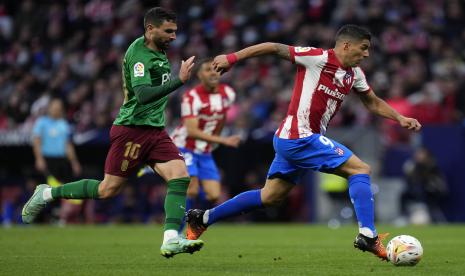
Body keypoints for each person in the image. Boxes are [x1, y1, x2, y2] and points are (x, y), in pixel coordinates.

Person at [186, 24, 422, 261]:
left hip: (293, 139)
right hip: (300, 137)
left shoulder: (355, 74)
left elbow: (371, 102)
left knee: (270, 197)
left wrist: (399, 118)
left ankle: (203, 218)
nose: (367, 54)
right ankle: (368, 236)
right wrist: (232, 57)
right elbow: (273, 47)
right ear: (346, 45)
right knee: (360, 169)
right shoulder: (317, 58)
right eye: (363, 48)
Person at [22, 7, 204, 258]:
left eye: (175, 32)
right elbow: (141, 96)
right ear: (150, 29)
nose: (174, 37)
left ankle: (171, 238)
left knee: (180, 176)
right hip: (132, 130)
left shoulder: (158, 49)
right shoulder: (140, 55)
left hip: (155, 131)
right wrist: (179, 81)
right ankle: (47, 193)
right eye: (168, 31)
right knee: (107, 190)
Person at [171, 58, 241, 230]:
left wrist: (215, 137)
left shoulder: (228, 94)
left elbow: (222, 116)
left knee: (214, 194)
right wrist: (222, 140)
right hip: (184, 146)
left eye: (215, 69)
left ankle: (182, 207)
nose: (212, 73)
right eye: (207, 70)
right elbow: (192, 131)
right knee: (192, 189)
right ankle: (179, 232)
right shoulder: (191, 97)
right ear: (200, 75)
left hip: (205, 150)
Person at [32, 98, 83, 224]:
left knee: (63, 190)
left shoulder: (63, 124)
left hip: (62, 161)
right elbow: (37, 142)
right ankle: (38, 219)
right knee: (46, 190)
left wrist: (74, 162)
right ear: (49, 108)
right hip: (48, 160)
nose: (57, 109)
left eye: (59, 107)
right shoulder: (42, 122)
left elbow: (68, 145)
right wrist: (39, 159)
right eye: (55, 106)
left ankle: (59, 217)